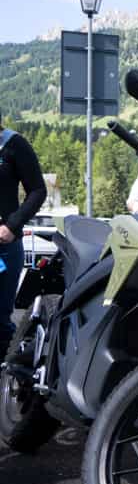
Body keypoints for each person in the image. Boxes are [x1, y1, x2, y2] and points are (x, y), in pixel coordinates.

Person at [0, 110, 47, 358]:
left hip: (4, 246)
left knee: (0, 317)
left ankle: (7, 376)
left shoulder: (13, 145)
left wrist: (12, 225)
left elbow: (38, 190)